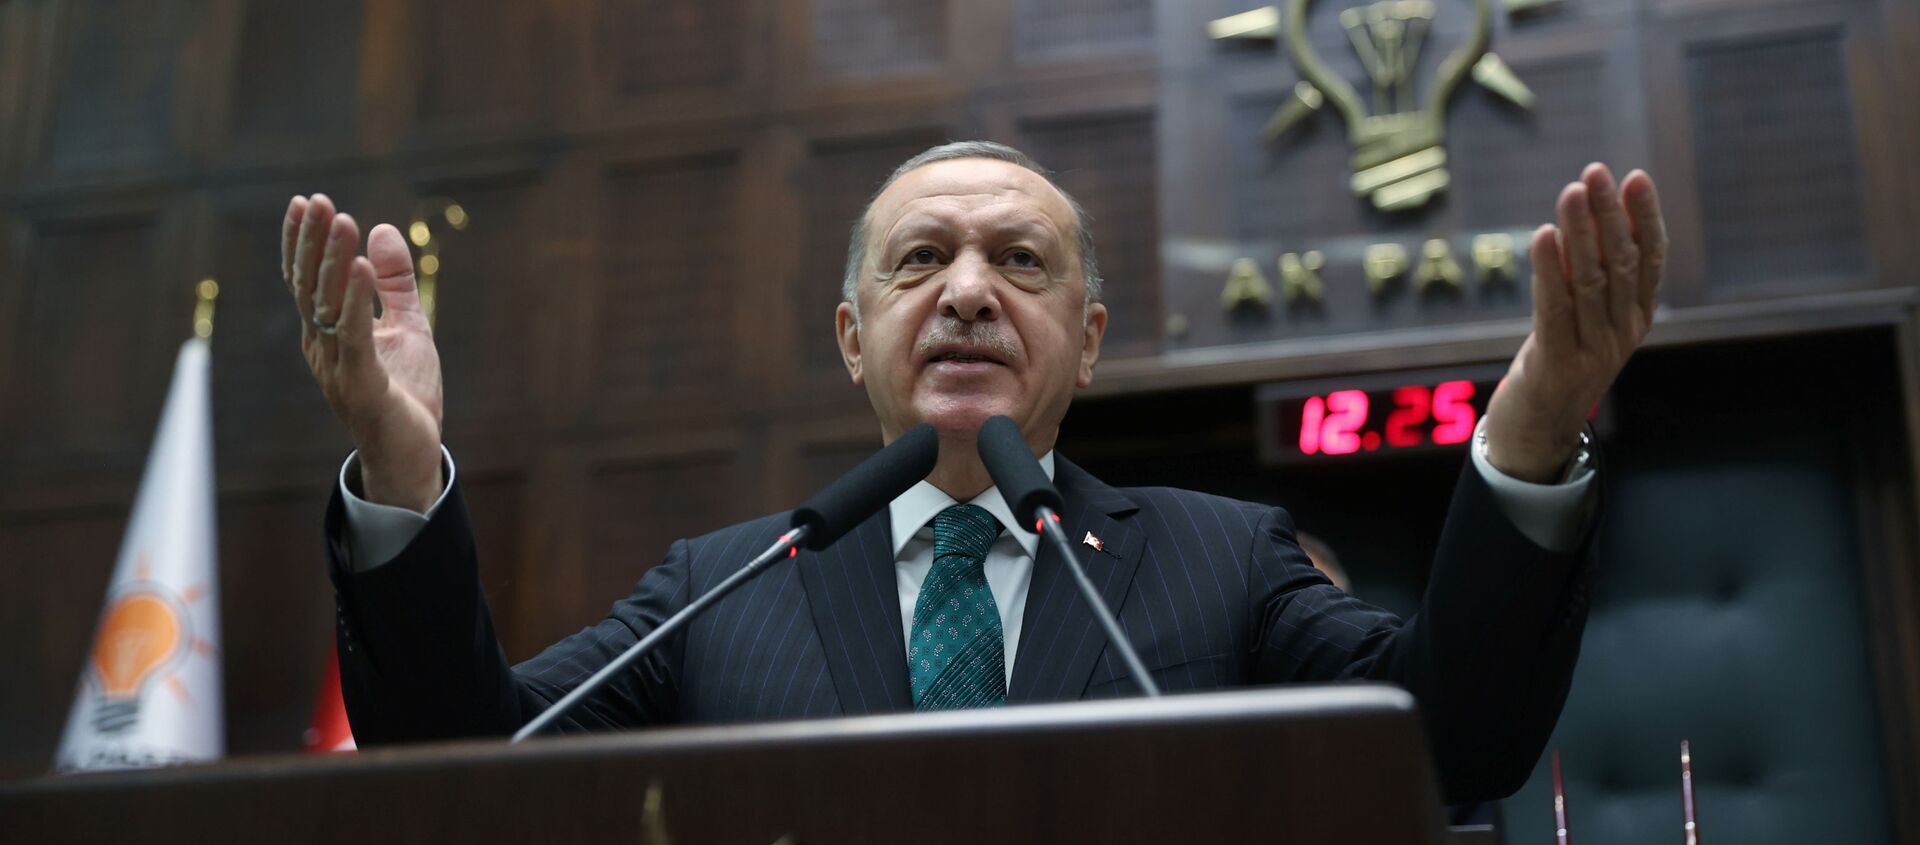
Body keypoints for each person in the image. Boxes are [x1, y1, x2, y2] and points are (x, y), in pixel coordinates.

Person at [281, 141, 1665, 802]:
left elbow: (1452, 740)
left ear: (1089, 341)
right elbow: (467, 767)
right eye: (919, 258)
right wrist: (401, 477)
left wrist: (1532, 427)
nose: (966, 292)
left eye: (1019, 261)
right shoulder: (723, 583)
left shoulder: (1221, 559)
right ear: (851, 337)